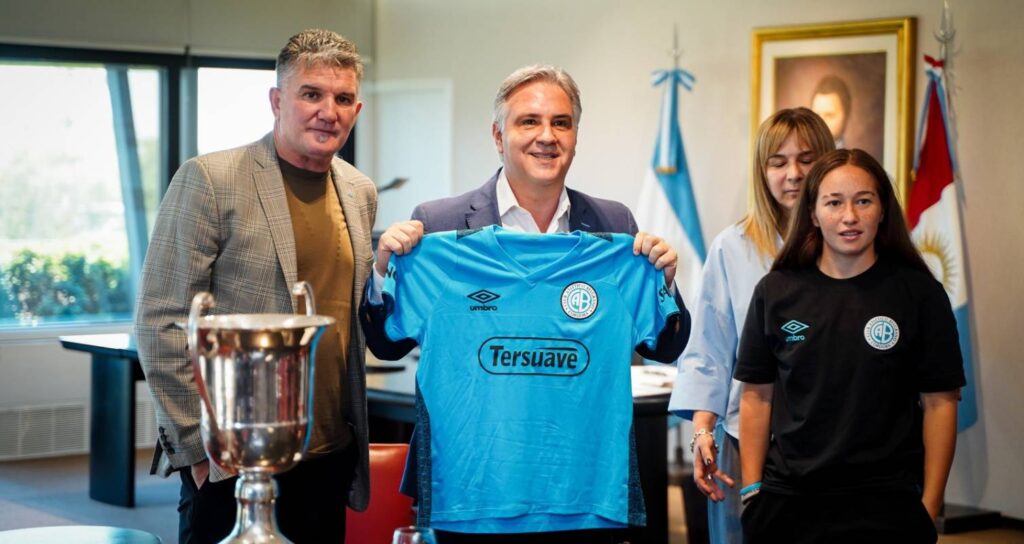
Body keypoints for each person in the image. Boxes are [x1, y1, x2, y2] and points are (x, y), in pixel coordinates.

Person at [360, 64, 691, 543]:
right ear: (499, 135)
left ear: (576, 136)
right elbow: (385, 345)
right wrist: (382, 270)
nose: (547, 136)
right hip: (469, 495)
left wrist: (664, 281)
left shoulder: (613, 226)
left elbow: (666, 347)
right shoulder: (437, 225)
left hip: (581, 496)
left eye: (561, 122)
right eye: (529, 122)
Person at [134, 29, 375, 543]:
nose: (327, 111)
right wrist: (199, 453)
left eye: (342, 98)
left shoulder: (359, 191)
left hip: (329, 452)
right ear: (277, 100)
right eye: (311, 94)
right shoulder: (211, 179)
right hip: (232, 462)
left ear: (356, 108)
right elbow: (161, 321)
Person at [735, 149, 965, 542]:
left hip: (886, 504)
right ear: (812, 213)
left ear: (882, 209)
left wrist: (928, 506)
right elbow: (757, 396)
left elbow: (940, 403)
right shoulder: (775, 292)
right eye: (834, 202)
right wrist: (752, 492)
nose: (849, 217)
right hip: (789, 503)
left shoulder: (920, 294)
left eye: (863, 200)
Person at [667, 107, 834, 543]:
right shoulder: (733, 248)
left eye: (806, 159)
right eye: (777, 162)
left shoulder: (850, 244)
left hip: (832, 437)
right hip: (746, 437)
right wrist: (702, 431)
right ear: (762, 172)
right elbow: (709, 352)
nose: (793, 174)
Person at [810, 74, 852, 148]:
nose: (821, 122)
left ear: (846, 115)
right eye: (816, 116)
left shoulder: (852, 159)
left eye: (829, 115)